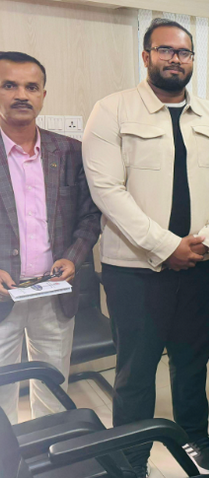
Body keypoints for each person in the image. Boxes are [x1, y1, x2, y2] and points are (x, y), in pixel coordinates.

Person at [82, 19, 209, 477]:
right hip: (135, 270)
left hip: (201, 267)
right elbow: (107, 190)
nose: (176, 59)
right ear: (146, 56)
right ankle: (130, 456)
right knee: (135, 370)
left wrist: (207, 242)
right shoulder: (111, 110)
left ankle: (193, 435)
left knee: (193, 361)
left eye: (184, 52)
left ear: (193, 59)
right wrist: (166, 246)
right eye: (166, 50)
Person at [0, 52, 101, 424]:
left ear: (43, 94)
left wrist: (73, 256)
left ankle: (50, 448)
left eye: (31, 87)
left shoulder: (70, 151)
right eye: (9, 85)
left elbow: (90, 215)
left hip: (54, 292)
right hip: (2, 295)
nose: (21, 95)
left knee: (54, 387)